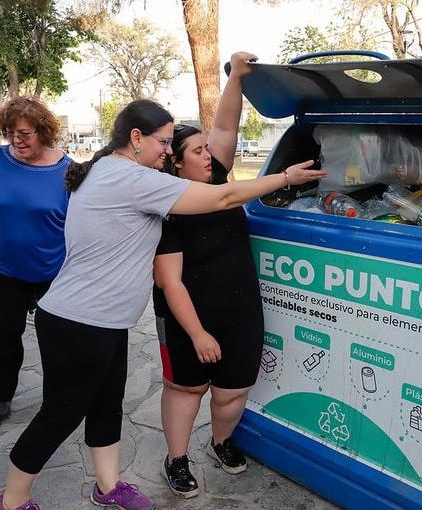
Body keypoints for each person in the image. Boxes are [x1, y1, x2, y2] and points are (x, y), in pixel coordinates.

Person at [0, 95, 326, 510]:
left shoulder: (110, 170)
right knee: (60, 415)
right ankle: (11, 501)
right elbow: (221, 197)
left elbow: (213, 171)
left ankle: (108, 487)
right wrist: (284, 178)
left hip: (105, 321)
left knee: (107, 406)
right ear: (136, 138)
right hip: (78, 321)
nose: (168, 152)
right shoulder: (127, 179)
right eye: (164, 142)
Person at [153, 52, 265, 499]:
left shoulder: (215, 174)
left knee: (232, 392)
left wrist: (236, 75)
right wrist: (198, 333)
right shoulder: (164, 207)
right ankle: (176, 458)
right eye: (197, 151)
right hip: (187, 317)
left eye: (206, 149)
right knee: (186, 389)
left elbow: (224, 128)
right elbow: (169, 281)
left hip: (240, 309)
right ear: (176, 164)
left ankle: (221, 441)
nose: (210, 155)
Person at [0, 97, 70, 421]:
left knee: (55, 337)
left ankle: (58, 398)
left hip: (54, 268)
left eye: (24, 134)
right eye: (10, 133)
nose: (17, 140)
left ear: (44, 131)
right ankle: (2, 394)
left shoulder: (67, 170)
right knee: (5, 334)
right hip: (7, 266)